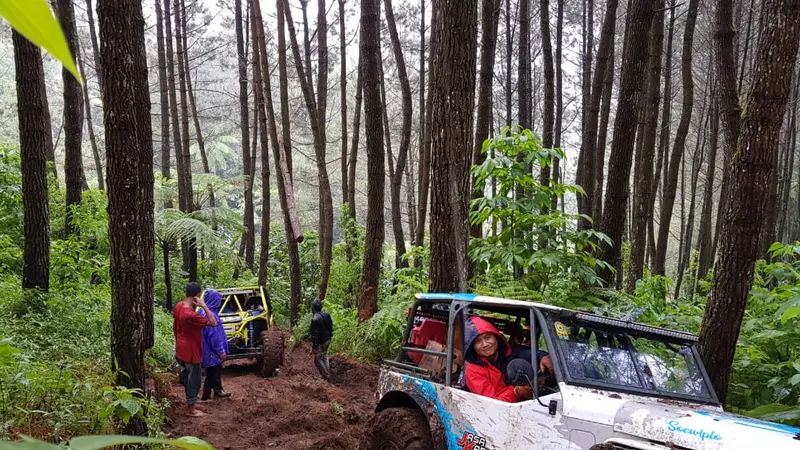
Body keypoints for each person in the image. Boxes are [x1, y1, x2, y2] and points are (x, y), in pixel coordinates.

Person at [464, 316, 553, 403]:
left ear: (496, 337)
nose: (485, 344)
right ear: (473, 347)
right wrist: (516, 392)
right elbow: (491, 405)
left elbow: (530, 353)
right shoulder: (473, 370)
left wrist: (543, 356)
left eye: (488, 337)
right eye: (478, 341)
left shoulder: (509, 350)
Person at [173, 282, 218, 417]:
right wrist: (204, 305)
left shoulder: (179, 306)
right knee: (194, 379)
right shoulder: (190, 315)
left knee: (187, 377)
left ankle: (191, 402)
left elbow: (174, 327)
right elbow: (213, 322)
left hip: (181, 348)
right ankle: (191, 409)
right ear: (197, 296)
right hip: (192, 351)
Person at [199, 289, 231, 401]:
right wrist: (220, 350)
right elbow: (213, 336)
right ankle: (206, 396)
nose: (220, 302)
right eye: (218, 299)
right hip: (211, 350)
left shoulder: (205, 311)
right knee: (212, 372)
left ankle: (218, 390)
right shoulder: (209, 314)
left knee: (215, 371)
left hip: (208, 349)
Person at [310, 298, 333, 381]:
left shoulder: (315, 319)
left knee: (318, 359)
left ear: (313, 308)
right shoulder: (327, 315)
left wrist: (314, 346)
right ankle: (327, 373)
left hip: (321, 342)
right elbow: (330, 327)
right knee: (325, 356)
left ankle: (326, 376)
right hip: (328, 339)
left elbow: (315, 335)